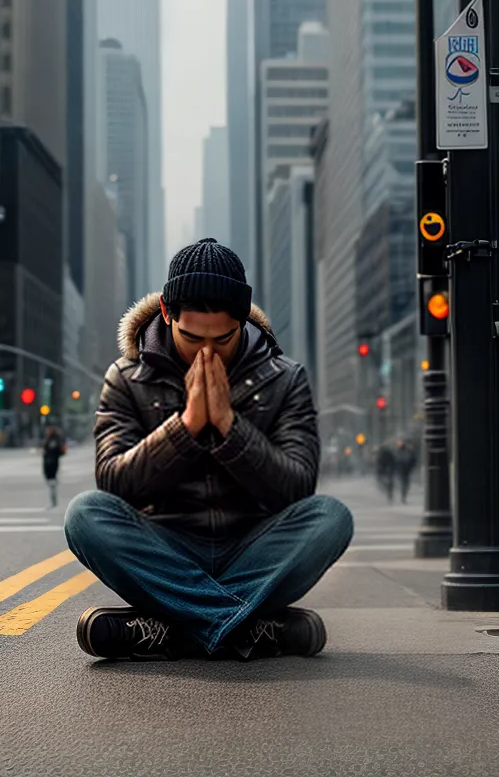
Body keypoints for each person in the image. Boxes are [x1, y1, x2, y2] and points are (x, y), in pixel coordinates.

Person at [64, 238, 354, 663]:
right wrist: (186, 427)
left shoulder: (285, 379)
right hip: (165, 551)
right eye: (191, 338)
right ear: (166, 313)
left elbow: (295, 489)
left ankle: (171, 630)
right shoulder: (127, 377)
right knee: (84, 515)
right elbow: (115, 483)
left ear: (243, 321)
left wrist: (229, 426)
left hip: (254, 549)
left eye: (222, 340)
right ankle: (248, 629)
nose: (206, 352)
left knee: (331, 517)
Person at [41, 425, 66, 508]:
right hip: (48, 462)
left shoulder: (54, 440)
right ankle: (53, 501)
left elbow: (56, 450)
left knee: (52, 482)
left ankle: (53, 501)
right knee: (51, 482)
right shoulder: (49, 439)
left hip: (52, 463)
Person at [393, 438, 417, 504]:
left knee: (406, 484)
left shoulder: (408, 451)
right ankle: (403, 496)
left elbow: (413, 460)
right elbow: (396, 461)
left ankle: (403, 496)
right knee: (404, 483)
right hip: (402, 470)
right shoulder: (398, 451)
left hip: (406, 470)